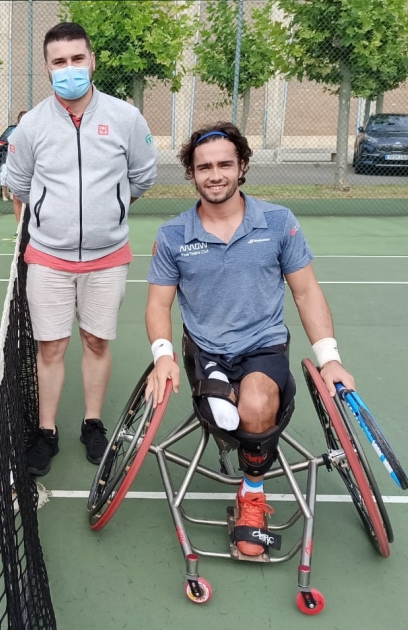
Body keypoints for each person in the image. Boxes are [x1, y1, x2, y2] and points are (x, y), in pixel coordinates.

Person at [144, 122, 355, 557]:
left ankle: (252, 495)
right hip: (205, 350)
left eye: (224, 164)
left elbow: (306, 291)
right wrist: (162, 355)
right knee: (225, 418)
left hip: (263, 346)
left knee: (256, 407)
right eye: (204, 167)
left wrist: (329, 358)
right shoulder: (172, 236)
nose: (214, 175)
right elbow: (157, 305)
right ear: (191, 173)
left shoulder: (278, 222)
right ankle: (239, 435)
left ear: (242, 167)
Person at [6, 22, 158, 476]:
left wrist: (107, 211)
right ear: (47, 69)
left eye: (77, 59)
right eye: (59, 62)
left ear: (92, 61)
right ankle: (46, 432)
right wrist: (47, 224)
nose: (69, 68)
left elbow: (142, 176)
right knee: (50, 347)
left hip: (107, 256)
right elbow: (17, 184)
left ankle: (93, 424)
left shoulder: (127, 118)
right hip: (48, 258)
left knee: (96, 340)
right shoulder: (31, 125)